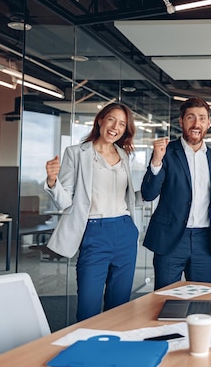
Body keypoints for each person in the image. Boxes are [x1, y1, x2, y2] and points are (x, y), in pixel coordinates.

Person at [44, 102, 140, 321]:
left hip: (125, 232)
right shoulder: (76, 153)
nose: (116, 126)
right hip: (94, 232)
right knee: (88, 306)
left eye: (122, 124)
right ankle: (86, 351)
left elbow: (127, 197)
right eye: (112, 119)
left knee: (119, 306)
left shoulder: (124, 156)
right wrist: (52, 181)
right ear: (100, 120)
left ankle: (114, 351)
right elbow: (65, 200)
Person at [142, 97, 211, 290]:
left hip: (203, 240)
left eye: (201, 118)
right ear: (181, 121)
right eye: (190, 117)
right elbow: (148, 194)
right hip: (171, 238)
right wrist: (156, 162)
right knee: (165, 300)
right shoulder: (166, 152)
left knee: (203, 299)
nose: (196, 123)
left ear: (209, 123)